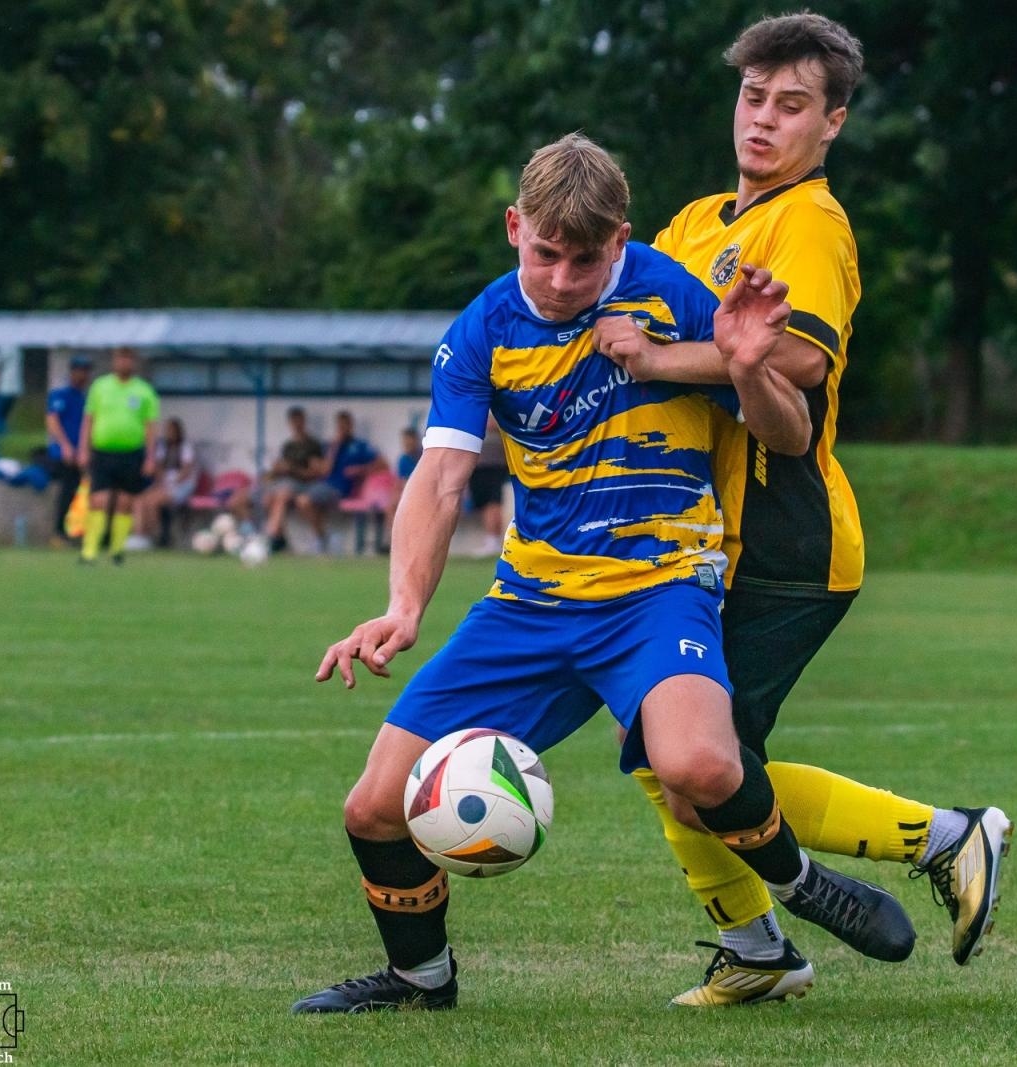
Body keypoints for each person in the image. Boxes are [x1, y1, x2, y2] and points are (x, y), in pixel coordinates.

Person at [292, 134, 913, 1015]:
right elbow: (439, 476)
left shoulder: (672, 294)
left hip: (659, 591)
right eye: (545, 253)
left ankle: (806, 884)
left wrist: (744, 363)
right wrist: (403, 605)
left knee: (700, 764)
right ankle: (418, 979)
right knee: (375, 807)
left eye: (586, 260)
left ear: (619, 241)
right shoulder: (482, 330)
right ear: (515, 229)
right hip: (530, 603)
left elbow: (788, 434)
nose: (561, 278)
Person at [593, 13, 1011, 1004]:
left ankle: (940, 838)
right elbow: (614, 333)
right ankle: (759, 945)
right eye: (752, 98)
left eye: (791, 106)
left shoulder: (808, 220)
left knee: (698, 764)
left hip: (785, 534)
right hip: (695, 537)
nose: (764, 121)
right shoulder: (694, 223)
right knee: (680, 763)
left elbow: (795, 359)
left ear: (832, 124)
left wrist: (655, 356)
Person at [77, 347, 159, 564]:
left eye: (128, 359)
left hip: (131, 453)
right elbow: (89, 419)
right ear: (114, 361)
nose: (124, 363)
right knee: (99, 500)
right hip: (103, 452)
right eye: (120, 358)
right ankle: (90, 551)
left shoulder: (144, 391)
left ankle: (116, 550)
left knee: (124, 502)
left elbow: (150, 426)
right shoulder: (100, 387)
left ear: (133, 363)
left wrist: (151, 458)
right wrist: (82, 449)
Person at [291, 410, 385, 553]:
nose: (342, 429)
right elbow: (325, 470)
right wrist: (334, 448)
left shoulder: (359, 445)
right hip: (325, 486)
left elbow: (382, 464)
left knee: (304, 500)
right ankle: (322, 537)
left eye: (345, 425)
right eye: (340, 426)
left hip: (341, 489)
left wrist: (361, 469)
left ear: (351, 425)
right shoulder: (331, 446)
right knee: (303, 501)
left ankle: (321, 538)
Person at [262, 406, 326, 552]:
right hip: (285, 483)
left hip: (304, 484)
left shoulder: (312, 445)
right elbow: (278, 470)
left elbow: (315, 472)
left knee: (283, 494)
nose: (296, 424)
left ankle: (270, 537)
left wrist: (292, 469)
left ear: (304, 421)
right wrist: (276, 471)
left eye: (299, 420)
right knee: (268, 497)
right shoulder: (288, 446)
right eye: (293, 421)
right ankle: (279, 538)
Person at [129, 417, 199, 549]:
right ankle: (139, 534)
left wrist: (172, 481)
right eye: (167, 430)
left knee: (153, 502)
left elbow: (187, 470)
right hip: (164, 484)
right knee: (140, 500)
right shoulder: (162, 447)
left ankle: (151, 535)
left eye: (172, 430)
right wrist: (161, 479)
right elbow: (158, 467)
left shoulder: (185, 447)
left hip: (181, 485)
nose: (169, 433)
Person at [45, 355, 92, 542]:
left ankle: (76, 529)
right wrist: (65, 446)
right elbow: (52, 420)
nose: (84, 376)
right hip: (62, 454)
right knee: (68, 488)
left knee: (81, 491)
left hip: (80, 453)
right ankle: (59, 531)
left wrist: (84, 450)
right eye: (81, 371)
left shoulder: (85, 398)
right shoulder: (61, 395)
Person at [465, 413, 510, 557]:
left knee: (493, 504)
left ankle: (494, 541)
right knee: (486, 505)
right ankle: (492, 540)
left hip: (494, 467)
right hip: (479, 468)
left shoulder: (500, 411)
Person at [379, 426, 422, 554]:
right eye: (404, 441)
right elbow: (399, 481)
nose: (406, 444)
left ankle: (408, 543)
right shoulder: (403, 459)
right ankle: (395, 542)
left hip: (421, 492)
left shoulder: (424, 457)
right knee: (391, 507)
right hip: (407, 493)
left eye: (409, 440)